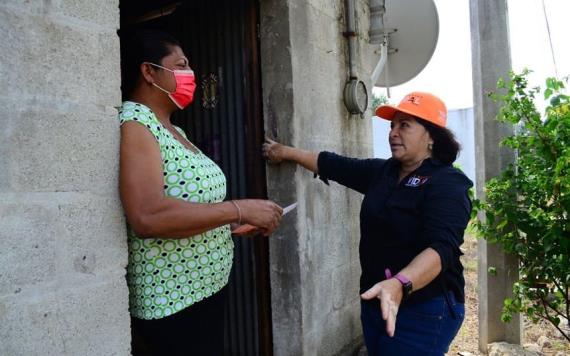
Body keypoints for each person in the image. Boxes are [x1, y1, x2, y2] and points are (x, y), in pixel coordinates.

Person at [263, 92, 472, 355]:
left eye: (404, 125)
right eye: (392, 126)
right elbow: (333, 164)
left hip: (424, 309)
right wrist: (285, 152)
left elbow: (442, 249)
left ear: (431, 137)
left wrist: (400, 284)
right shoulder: (384, 173)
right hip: (376, 299)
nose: (393, 133)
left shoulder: (448, 183)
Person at [118, 29, 283, 356]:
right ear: (149, 71)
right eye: (180, 65)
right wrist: (238, 209)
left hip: (205, 288)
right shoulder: (136, 124)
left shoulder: (174, 129)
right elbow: (147, 216)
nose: (189, 74)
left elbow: (191, 205)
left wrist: (229, 224)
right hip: (174, 300)